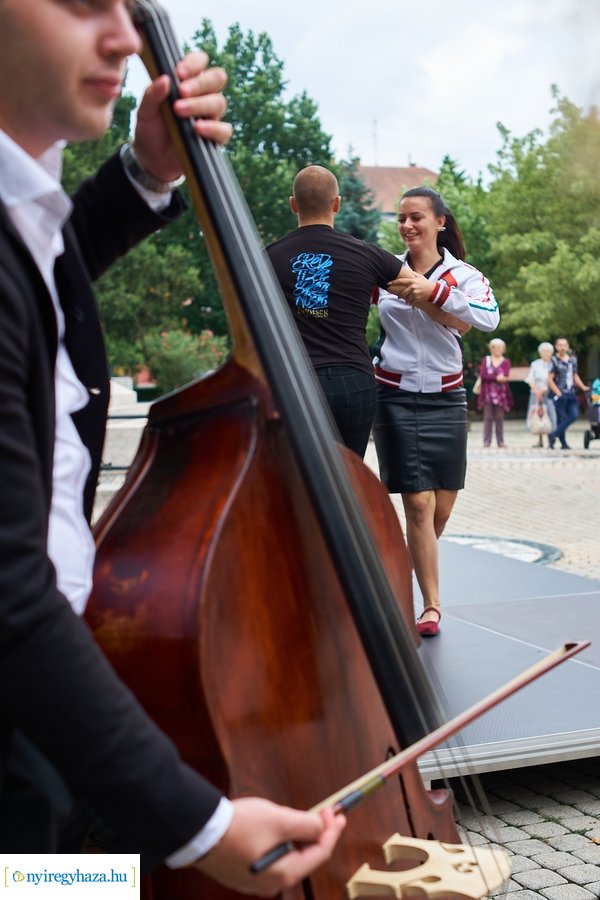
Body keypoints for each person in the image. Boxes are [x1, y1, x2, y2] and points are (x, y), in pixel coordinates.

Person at [0, 0, 345, 886]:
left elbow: (43, 274)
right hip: (24, 712)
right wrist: (199, 828)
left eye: (125, 5)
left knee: (76, 883)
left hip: (49, 711)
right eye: (81, 4)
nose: (123, 35)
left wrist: (147, 173)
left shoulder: (20, 206)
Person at [372, 186, 499, 637]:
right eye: (402, 218)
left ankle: (394, 576)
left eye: (417, 217)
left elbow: (488, 317)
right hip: (394, 395)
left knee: (441, 509)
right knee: (419, 507)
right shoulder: (385, 271)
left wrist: (435, 293)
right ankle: (430, 606)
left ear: (440, 222)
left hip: (447, 398)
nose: (407, 225)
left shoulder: (463, 275)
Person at [266, 165, 403, 458]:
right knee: (350, 477)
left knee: (299, 474)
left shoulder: (267, 258)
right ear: (337, 204)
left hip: (295, 381)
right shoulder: (366, 253)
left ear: (293, 204)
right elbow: (419, 289)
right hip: (353, 382)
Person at [547, 337, 589, 449]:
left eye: (564, 345)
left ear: (568, 346)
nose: (562, 347)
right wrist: (557, 392)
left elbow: (574, 375)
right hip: (560, 393)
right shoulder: (554, 360)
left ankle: (553, 434)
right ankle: (563, 443)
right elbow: (549, 379)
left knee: (574, 415)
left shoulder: (572, 360)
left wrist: (583, 386)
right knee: (561, 418)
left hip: (571, 392)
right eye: (560, 345)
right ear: (556, 347)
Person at [477, 338, 513, 448]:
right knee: (487, 418)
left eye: (499, 347)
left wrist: (497, 378)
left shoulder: (506, 361)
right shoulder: (486, 360)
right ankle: (486, 441)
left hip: (501, 395)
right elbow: (483, 376)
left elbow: (506, 375)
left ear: (503, 349)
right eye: (494, 347)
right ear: (491, 349)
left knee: (499, 418)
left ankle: (500, 441)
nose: (497, 349)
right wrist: (497, 378)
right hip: (487, 394)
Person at [525, 341, 556, 447]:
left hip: (549, 393)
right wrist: (537, 391)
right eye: (543, 351)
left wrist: (544, 389)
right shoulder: (535, 364)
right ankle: (540, 440)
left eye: (548, 351)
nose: (545, 353)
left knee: (550, 415)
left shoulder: (554, 364)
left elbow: (554, 380)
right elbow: (530, 379)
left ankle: (551, 439)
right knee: (537, 415)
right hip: (535, 393)